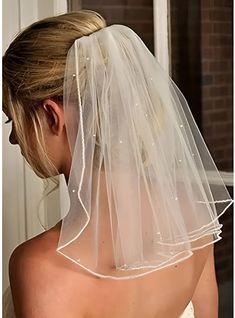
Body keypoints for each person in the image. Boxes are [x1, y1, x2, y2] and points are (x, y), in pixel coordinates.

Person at [3, 10, 233, 318]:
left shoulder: (39, 266)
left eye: (12, 119)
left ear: (51, 116)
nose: (14, 139)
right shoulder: (192, 221)